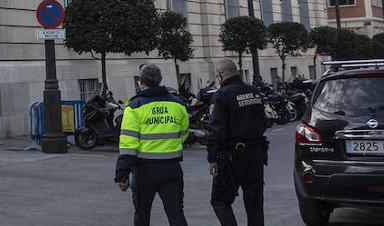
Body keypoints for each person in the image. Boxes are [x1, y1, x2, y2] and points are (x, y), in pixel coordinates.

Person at [114, 64, 189, 226]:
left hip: (144, 170)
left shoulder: (134, 107)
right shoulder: (178, 105)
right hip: (172, 167)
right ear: (160, 80)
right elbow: (183, 134)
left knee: (142, 215)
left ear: (141, 82)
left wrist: (122, 174)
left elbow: (128, 144)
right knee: (176, 214)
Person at [206, 58, 268, 226]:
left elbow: (216, 130)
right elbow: (264, 121)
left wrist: (213, 158)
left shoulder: (221, 95)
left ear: (220, 75)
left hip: (232, 156)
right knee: (254, 203)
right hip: (256, 153)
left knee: (220, 201)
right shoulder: (254, 91)